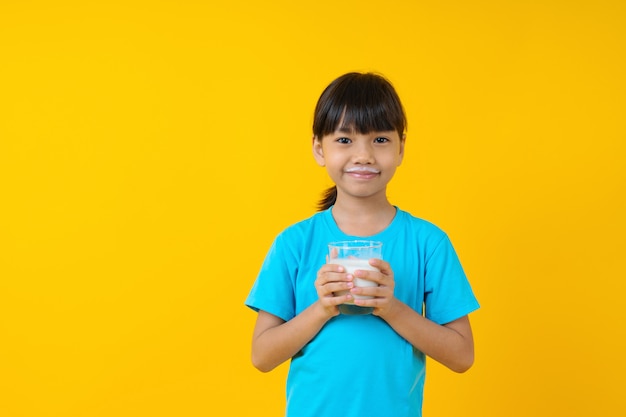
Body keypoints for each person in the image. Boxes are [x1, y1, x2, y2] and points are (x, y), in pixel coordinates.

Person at [245, 72, 479, 417]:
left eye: (380, 140)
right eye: (344, 140)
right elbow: (262, 356)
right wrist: (322, 307)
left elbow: (462, 356)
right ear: (318, 149)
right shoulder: (295, 243)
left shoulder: (428, 243)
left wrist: (391, 307)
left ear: (401, 148)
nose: (364, 155)